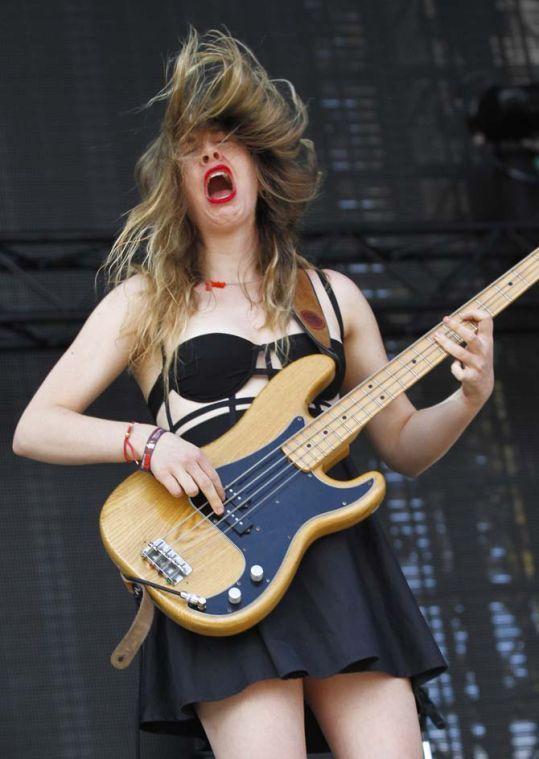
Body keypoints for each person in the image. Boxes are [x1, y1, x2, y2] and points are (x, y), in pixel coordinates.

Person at [12, 26, 495, 759]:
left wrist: (466, 397)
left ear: (260, 167)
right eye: (192, 148)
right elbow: (36, 425)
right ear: (178, 183)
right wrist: (146, 441)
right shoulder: (148, 302)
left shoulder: (333, 299)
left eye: (226, 142)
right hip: (217, 547)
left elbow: (403, 446)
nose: (210, 154)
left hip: (328, 550)